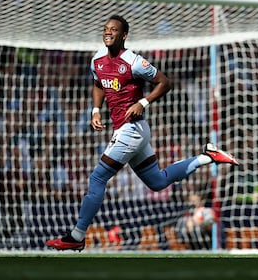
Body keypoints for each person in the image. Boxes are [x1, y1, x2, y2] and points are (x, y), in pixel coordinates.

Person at [46, 14, 239, 251]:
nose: (108, 32)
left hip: (132, 130)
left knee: (97, 178)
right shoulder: (97, 59)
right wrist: (96, 110)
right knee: (157, 181)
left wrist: (143, 103)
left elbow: (164, 82)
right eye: (106, 29)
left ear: (124, 35)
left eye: (113, 30)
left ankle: (77, 235)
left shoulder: (134, 62)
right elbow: (97, 83)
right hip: (130, 131)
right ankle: (207, 156)